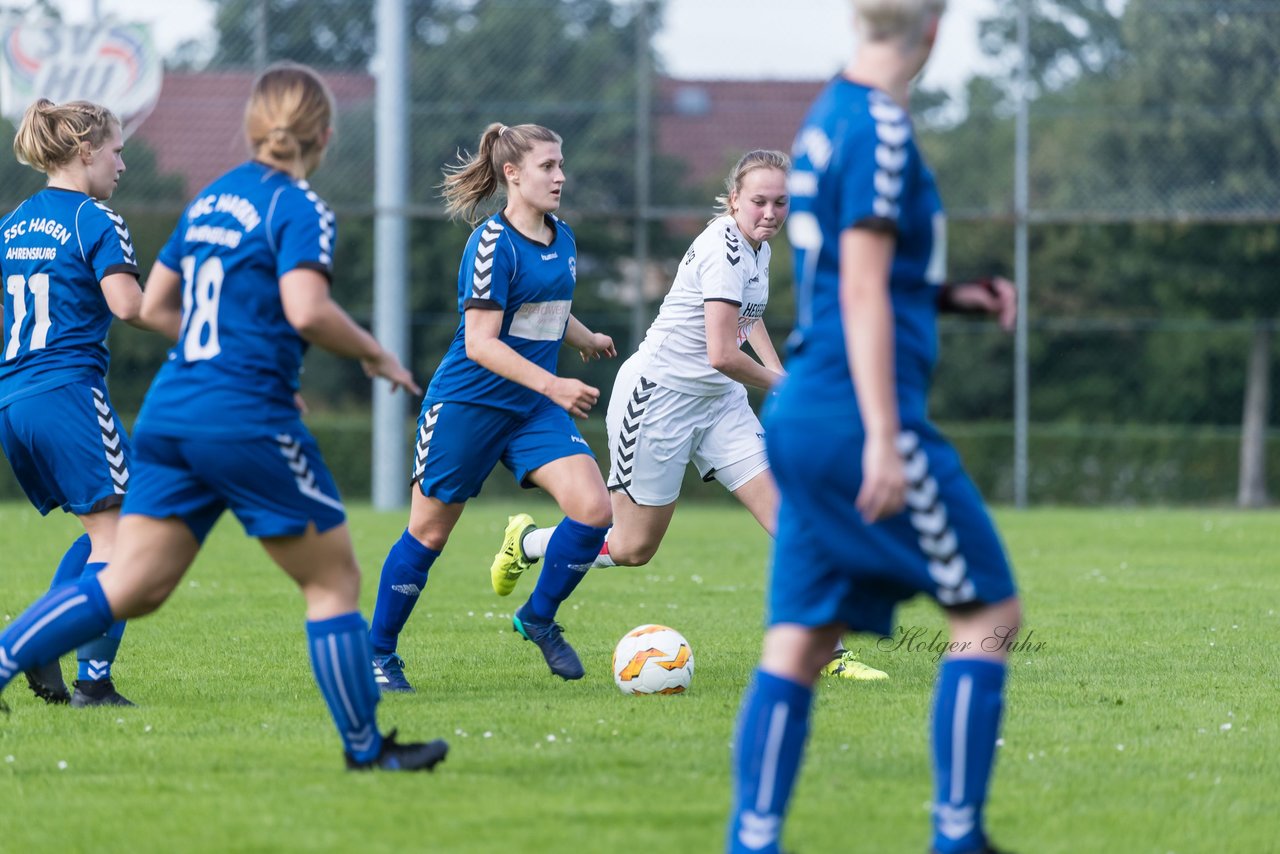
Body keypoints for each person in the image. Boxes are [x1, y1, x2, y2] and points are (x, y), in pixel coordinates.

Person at [0, 63, 447, 772]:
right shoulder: (297, 206)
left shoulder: (210, 199)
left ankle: (15, 658)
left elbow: (162, 307)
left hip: (163, 410)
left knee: (131, 580)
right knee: (332, 581)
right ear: (324, 134)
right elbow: (301, 309)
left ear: (250, 129)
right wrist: (373, 354)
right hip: (230, 412)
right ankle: (366, 750)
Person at [725, 1, 1021, 852]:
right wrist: (888, 437)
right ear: (933, 29)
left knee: (802, 637)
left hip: (804, 414)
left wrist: (951, 296)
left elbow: (864, 277)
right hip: (859, 414)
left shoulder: (826, 119)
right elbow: (857, 286)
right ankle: (958, 836)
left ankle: (752, 841)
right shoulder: (883, 129)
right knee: (989, 613)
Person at [492, 149, 888, 682]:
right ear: (734, 202)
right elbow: (722, 352)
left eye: (780, 202)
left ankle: (827, 653)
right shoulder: (722, 247)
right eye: (758, 202)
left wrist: (778, 379)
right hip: (658, 401)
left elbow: (748, 321)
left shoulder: (758, 249)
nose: (770, 212)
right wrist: (790, 389)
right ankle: (533, 542)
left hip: (720, 403)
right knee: (633, 548)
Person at [367, 122, 615, 691]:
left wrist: (584, 338)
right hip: (467, 405)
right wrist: (554, 385)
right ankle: (378, 654)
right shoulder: (490, 243)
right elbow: (481, 343)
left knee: (594, 510)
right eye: (548, 167)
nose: (561, 176)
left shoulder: (564, 238)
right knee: (428, 535)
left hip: (529, 410)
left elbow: (545, 308)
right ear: (512, 174)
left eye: (561, 165)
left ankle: (537, 617)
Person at [0, 98, 144, 708]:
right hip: (68, 395)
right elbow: (129, 306)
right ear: (85, 151)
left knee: (110, 527)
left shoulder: (12, 223)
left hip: (15, 400)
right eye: (115, 149)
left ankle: (44, 652)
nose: (122, 163)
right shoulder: (95, 220)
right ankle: (90, 679)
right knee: (127, 545)